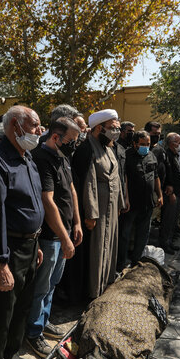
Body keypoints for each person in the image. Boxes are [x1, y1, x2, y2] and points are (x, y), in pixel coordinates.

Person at [0, 105, 45, 359]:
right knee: (2, 314)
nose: (39, 131)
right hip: (10, 250)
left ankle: (12, 358)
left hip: (31, 246)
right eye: (34, 125)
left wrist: (36, 241)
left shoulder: (28, 158)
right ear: (15, 126)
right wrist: (0, 263)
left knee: (21, 310)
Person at [25, 118, 82, 358]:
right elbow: (48, 202)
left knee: (52, 284)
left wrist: (77, 222)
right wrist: (63, 237)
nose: (73, 146)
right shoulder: (41, 158)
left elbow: (71, 190)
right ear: (56, 137)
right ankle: (32, 332)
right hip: (51, 236)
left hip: (65, 231)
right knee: (41, 286)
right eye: (70, 141)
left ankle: (43, 320)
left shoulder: (62, 157)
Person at [72, 109, 125, 298]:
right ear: (99, 128)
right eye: (113, 128)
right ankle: (92, 291)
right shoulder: (87, 149)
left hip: (111, 206)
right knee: (96, 250)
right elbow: (88, 184)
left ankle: (105, 283)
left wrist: (119, 203)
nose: (116, 132)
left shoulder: (110, 148)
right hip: (97, 211)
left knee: (109, 247)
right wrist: (90, 214)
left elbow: (116, 177)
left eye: (118, 128)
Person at [117, 131, 163, 271]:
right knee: (124, 235)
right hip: (131, 204)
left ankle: (136, 260)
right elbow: (122, 178)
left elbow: (155, 177)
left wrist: (159, 195)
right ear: (135, 143)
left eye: (147, 144)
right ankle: (120, 263)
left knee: (143, 234)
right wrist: (125, 199)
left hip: (147, 203)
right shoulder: (126, 156)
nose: (145, 147)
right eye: (142, 144)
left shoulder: (151, 155)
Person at [159, 133, 180, 254]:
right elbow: (168, 176)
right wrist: (171, 193)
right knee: (167, 220)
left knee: (173, 220)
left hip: (178, 192)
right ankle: (164, 244)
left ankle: (169, 241)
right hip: (170, 194)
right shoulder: (167, 155)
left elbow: (179, 175)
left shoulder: (176, 155)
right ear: (171, 144)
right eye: (178, 142)